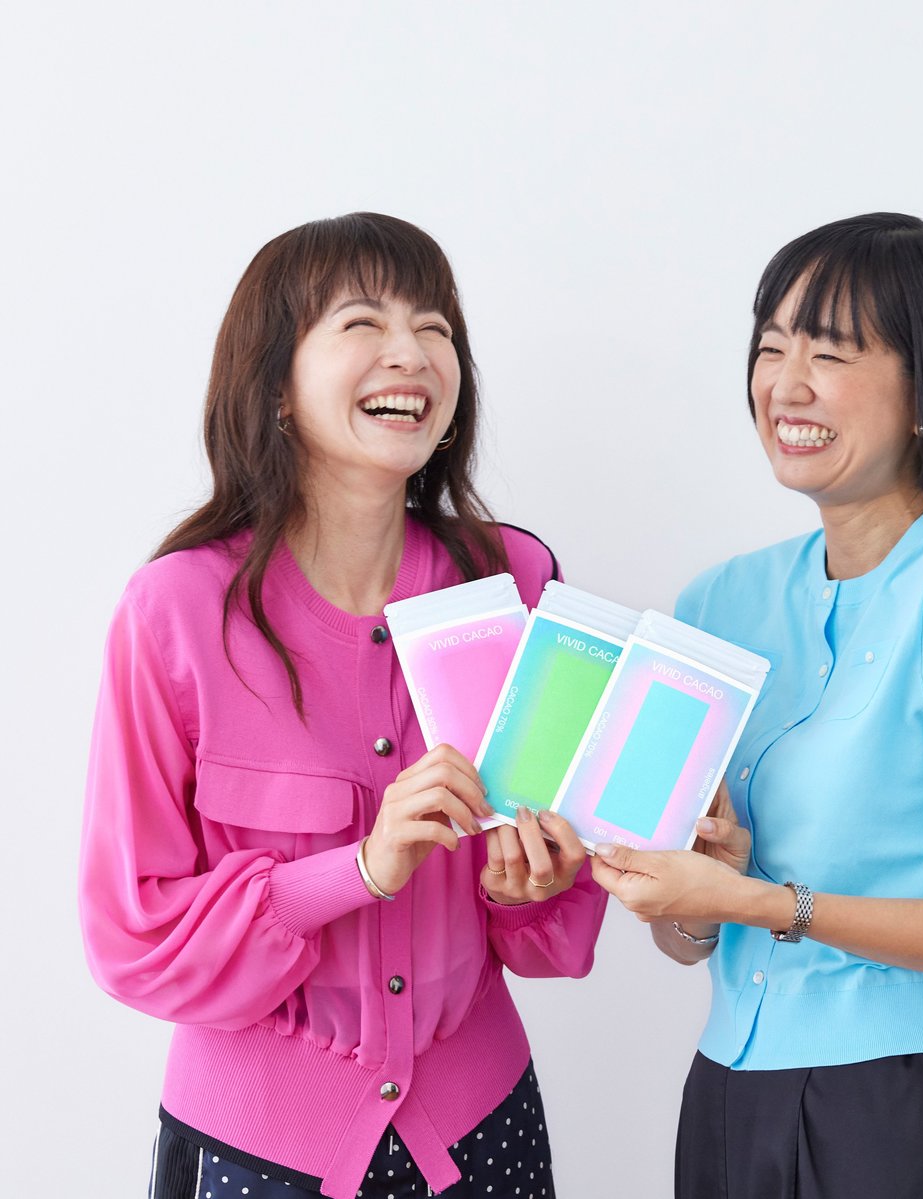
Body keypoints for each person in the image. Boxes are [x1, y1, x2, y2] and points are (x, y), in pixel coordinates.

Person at [79, 213, 606, 1199]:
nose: (411, 353)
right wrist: (358, 869)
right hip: (254, 1147)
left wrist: (530, 884)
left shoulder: (516, 583)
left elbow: (551, 924)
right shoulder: (175, 611)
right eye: (363, 322)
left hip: (485, 1130)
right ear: (276, 384)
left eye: (435, 328)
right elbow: (134, 931)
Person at [591, 213, 923, 1199]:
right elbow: (687, 934)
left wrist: (769, 903)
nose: (786, 383)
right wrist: (692, 896)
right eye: (771, 346)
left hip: (901, 1109)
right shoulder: (717, 601)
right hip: (726, 1095)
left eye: (831, 352)